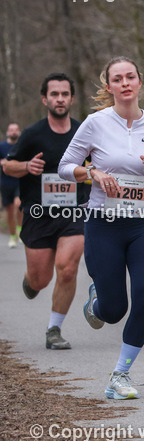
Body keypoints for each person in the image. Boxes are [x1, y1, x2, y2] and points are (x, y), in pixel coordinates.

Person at [58, 57, 144, 399]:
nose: (126, 82)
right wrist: (92, 173)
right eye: (118, 78)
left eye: (131, 76)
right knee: (114, 311)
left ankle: (120, 375)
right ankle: (97, 300)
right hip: (104, 224)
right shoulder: (94, 124)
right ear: (109, 87)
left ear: (140, 83)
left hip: (143, 224)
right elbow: (64, 166)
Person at [2, 76, 88, 350]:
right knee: (41, 278)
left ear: (72, 99)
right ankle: (31, 280)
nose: (60, 98)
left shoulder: (84, 132)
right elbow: (8, 167)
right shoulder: (32, 134)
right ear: (45, 99)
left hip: (74, 213)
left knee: (67, 269)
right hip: (38, 214)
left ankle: (54, 328)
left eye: (65, 93)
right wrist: (27, 166)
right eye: (55, 94)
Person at [1, 123, 22, 247]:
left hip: (19, 181)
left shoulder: (22, 145)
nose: (13, 132)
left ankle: (20, 229)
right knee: (9, 211)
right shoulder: (2, 146)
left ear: (19, 132)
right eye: (11, 130)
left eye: (16, 130)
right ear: (8, 132)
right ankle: (13, 236)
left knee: (18, 204)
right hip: (5, 183)